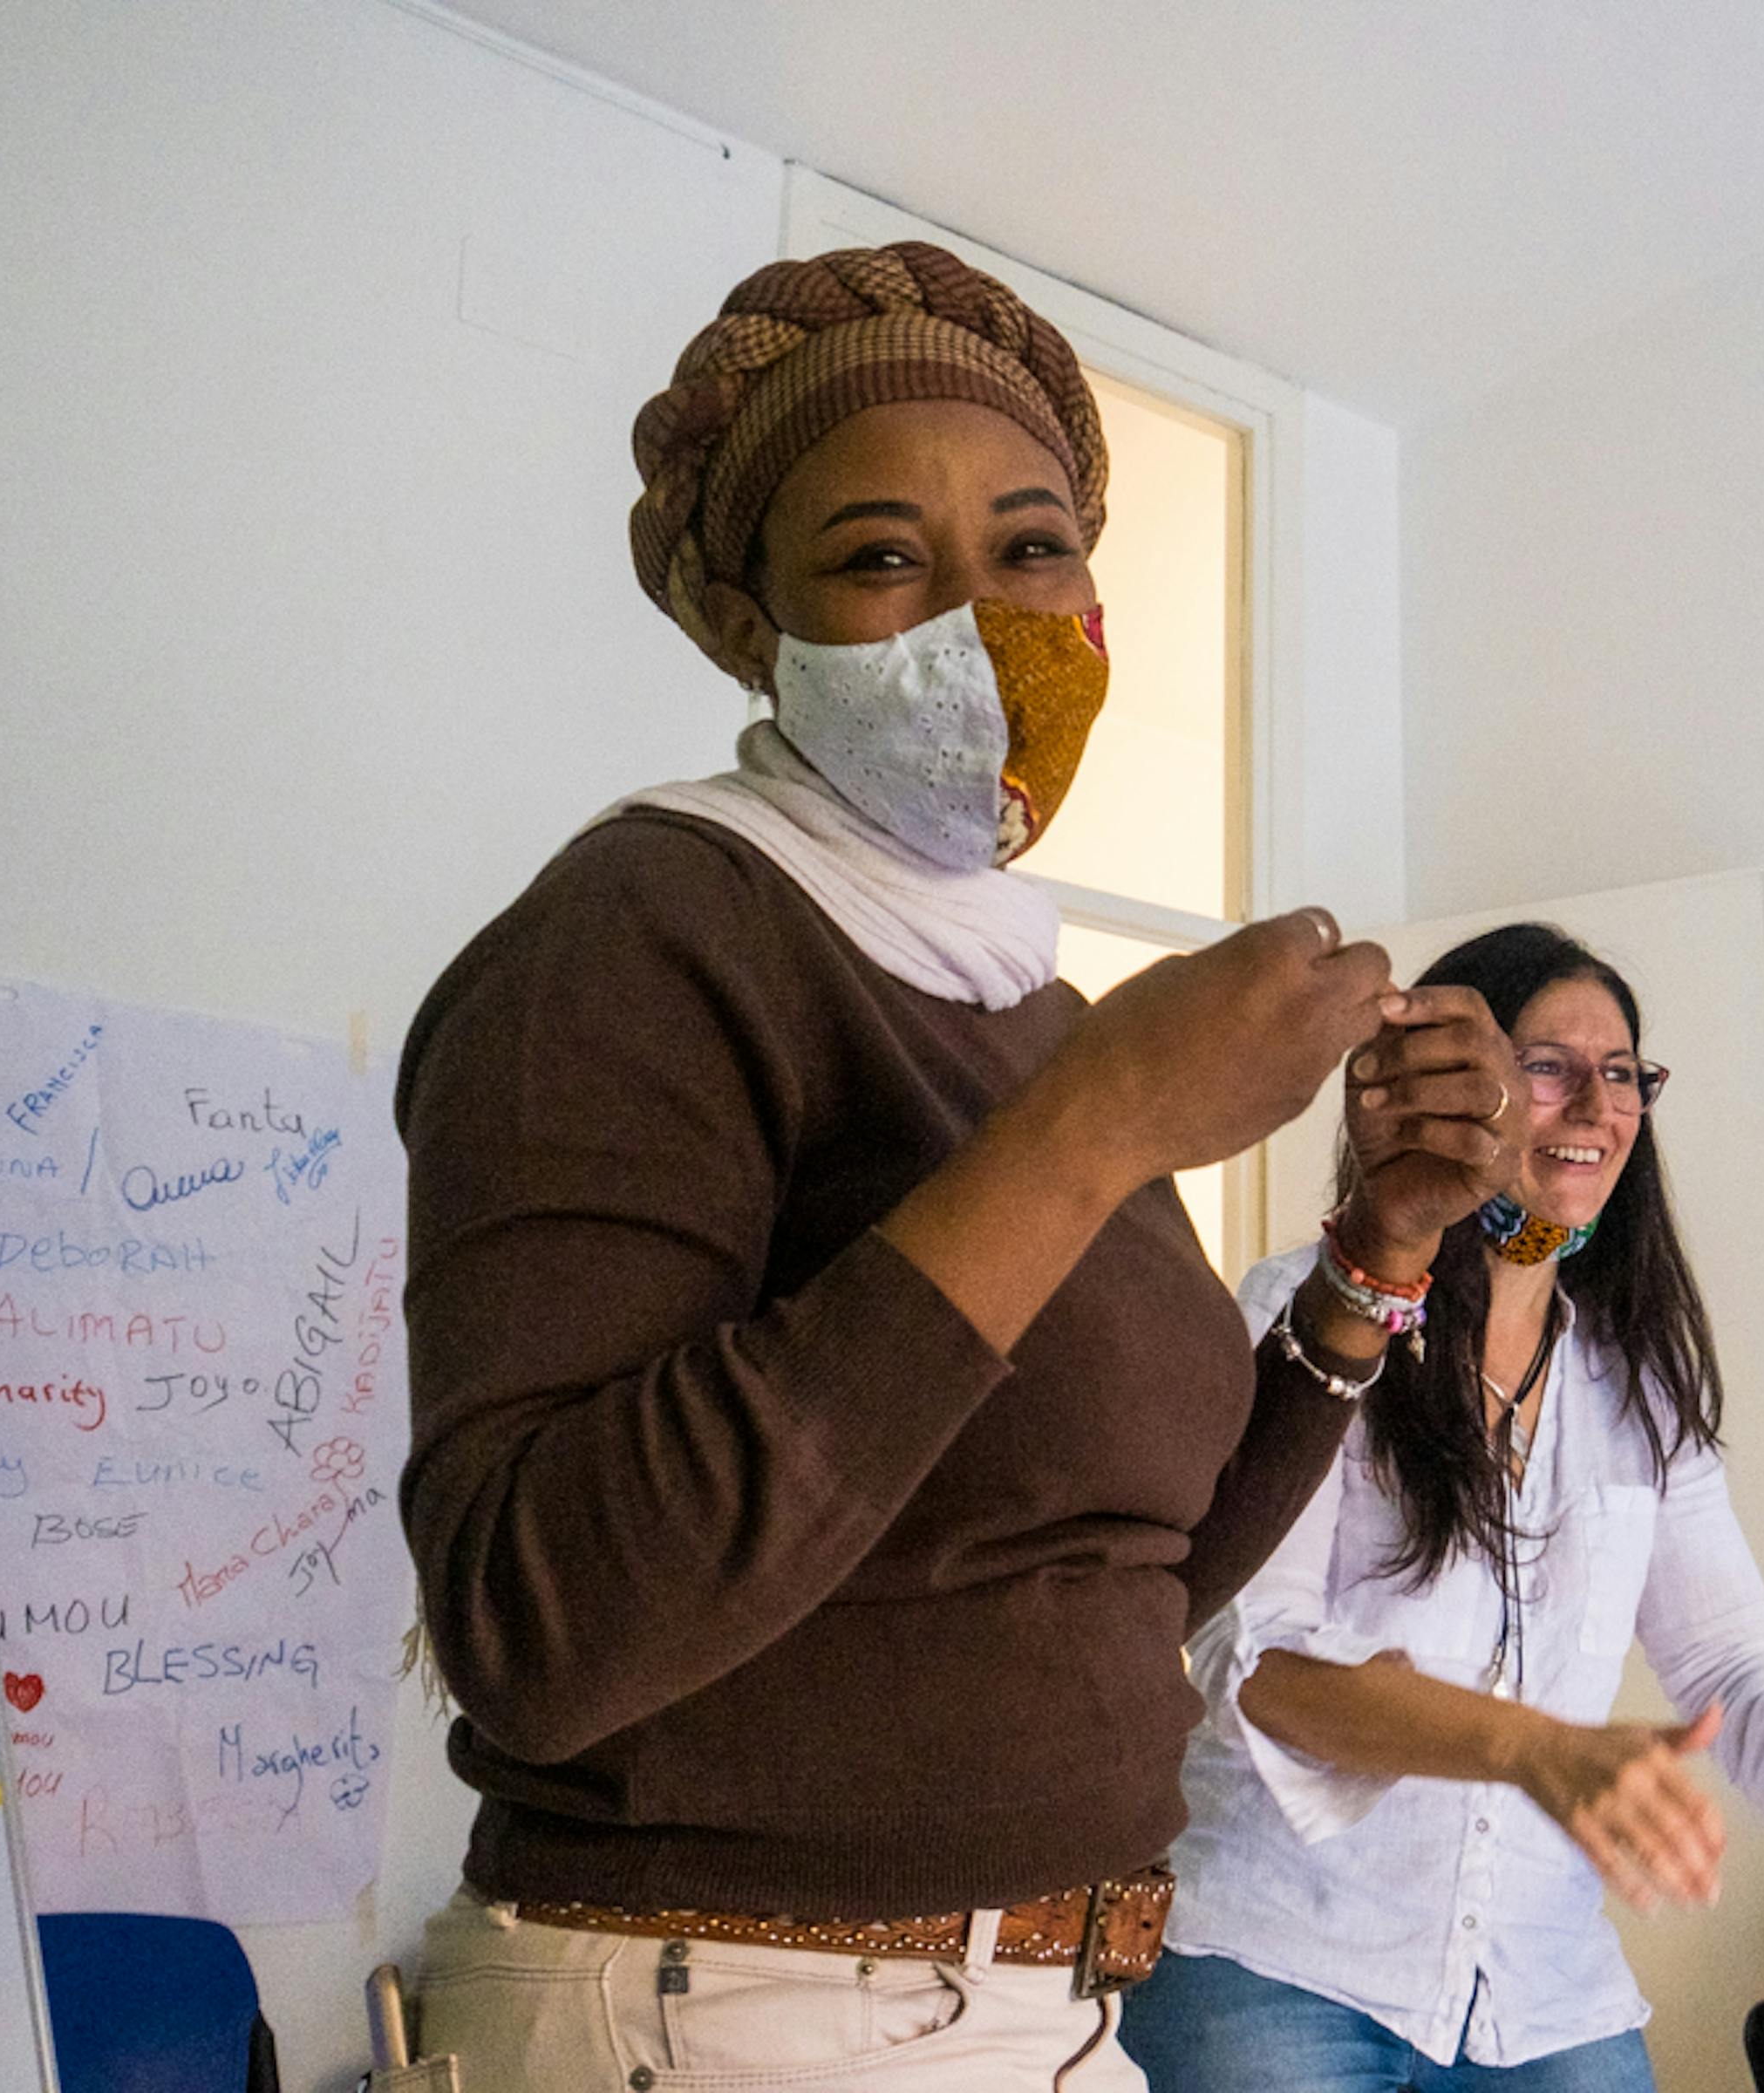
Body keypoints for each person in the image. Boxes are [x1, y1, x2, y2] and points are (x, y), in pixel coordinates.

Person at [395, 242, 1488, 2091]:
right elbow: (535, 1624)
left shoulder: (1032, 1014)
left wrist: (1374, 1253)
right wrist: (1094, 1132)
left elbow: (1129, 1572)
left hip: (1041, 2016)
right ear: (751, 626)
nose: (984, 616)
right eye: (883, 556)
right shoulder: (640, 931)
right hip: (722, 2016)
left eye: (1035, 545)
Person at [1118, 924, 1764, 2093]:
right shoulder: (1306, 1311)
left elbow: (1733, 1657)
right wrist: (1538, 1753)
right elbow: (1252, 1659)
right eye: (1550, 1065)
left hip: (1538, 1990)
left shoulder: (1636, 1379)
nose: (1595, 1105)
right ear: (1455, 1089)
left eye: (1621, 1073)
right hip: (1278, 1962)